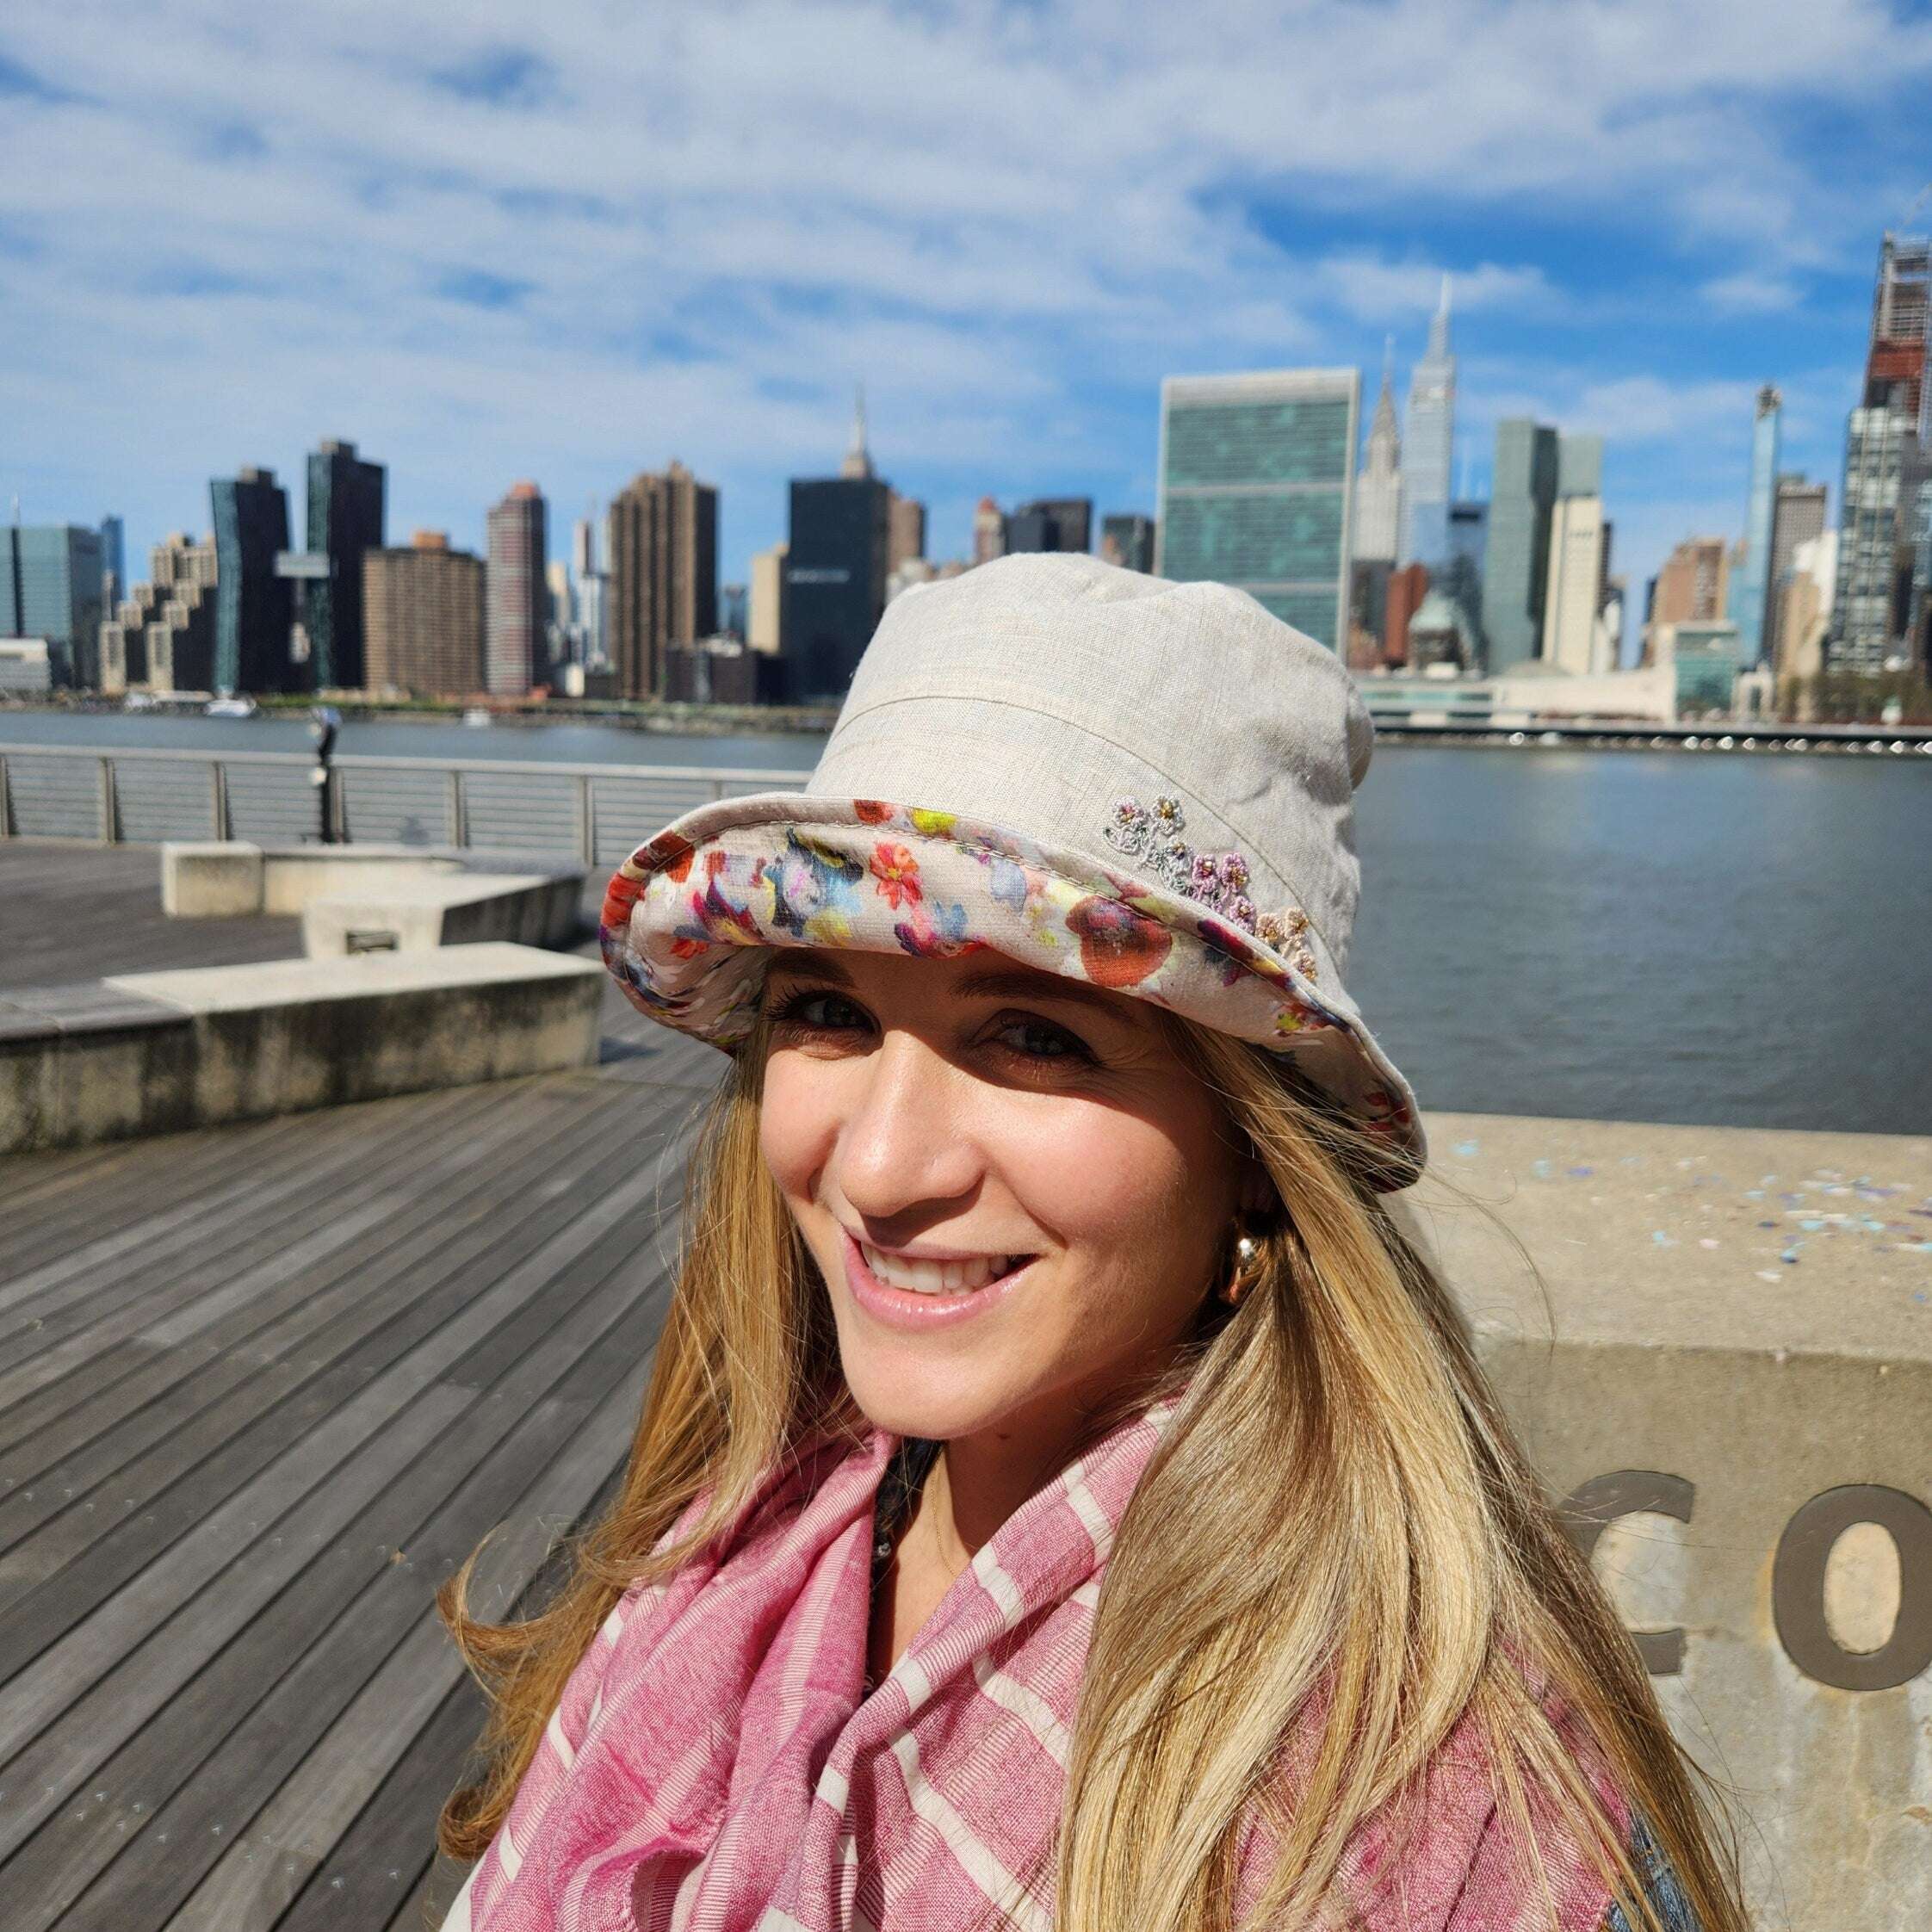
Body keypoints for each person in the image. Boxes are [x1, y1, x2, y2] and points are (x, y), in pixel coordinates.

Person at [435, 554, 1743, 1932]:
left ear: (1254, 1151)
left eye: (1036, 1035)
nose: (878, 1169)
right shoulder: (732, 1550)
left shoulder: (1433, 1812)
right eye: (827, 1012)